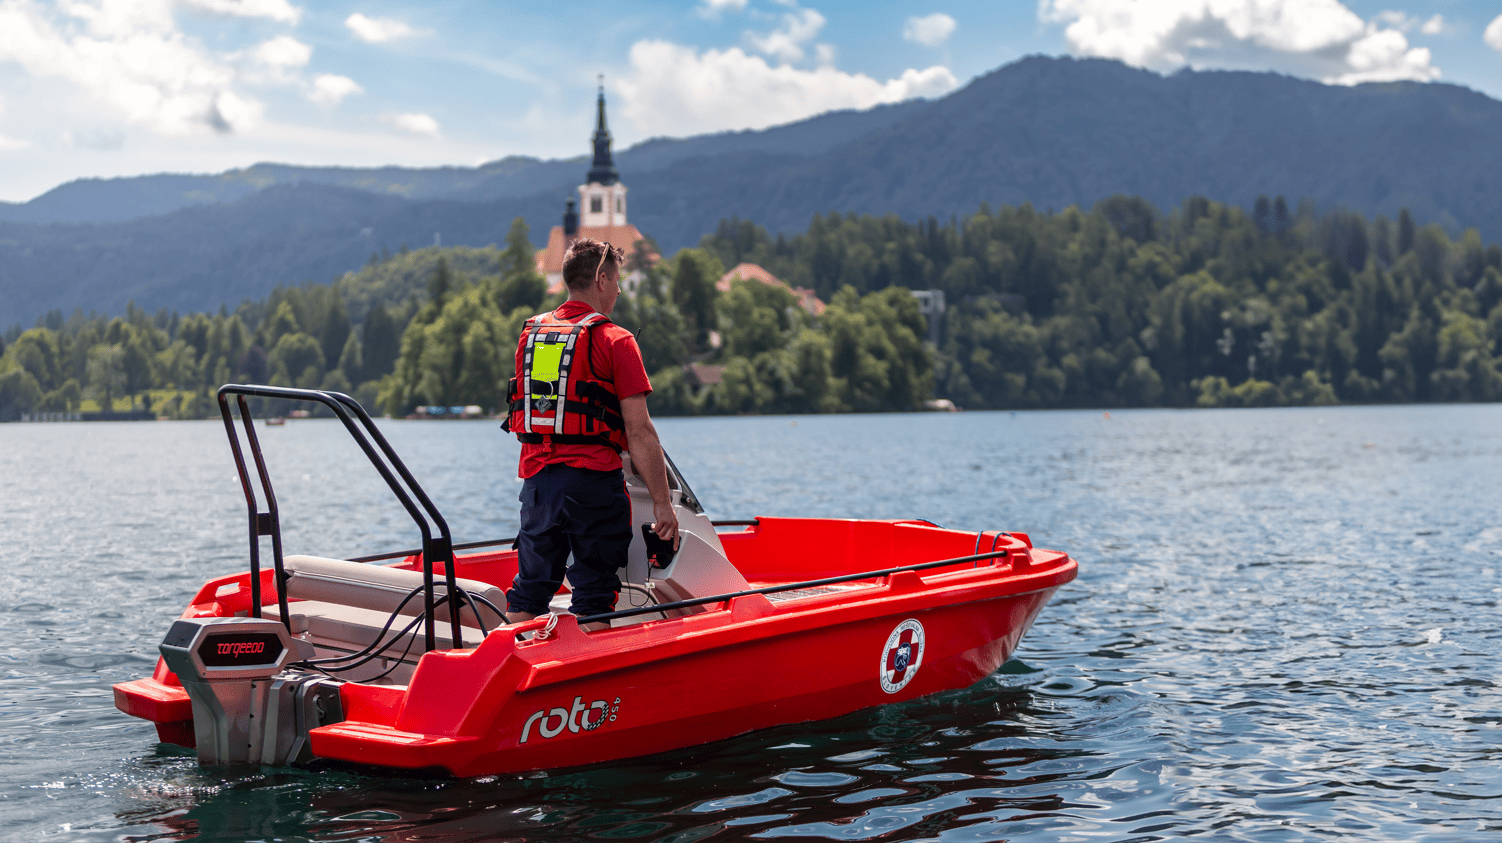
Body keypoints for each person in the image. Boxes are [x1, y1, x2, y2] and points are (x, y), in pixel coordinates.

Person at [501, 237, 679, 632]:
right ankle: (588, 688)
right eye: (615, 280)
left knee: (527, 596)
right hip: (592, 486)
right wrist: (663, 504)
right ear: (601, 279)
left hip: (538, 488)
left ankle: (500, 671)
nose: (617, 289)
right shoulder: (615, 340)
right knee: (595, 598)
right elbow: (640, 432)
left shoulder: (534, 335)